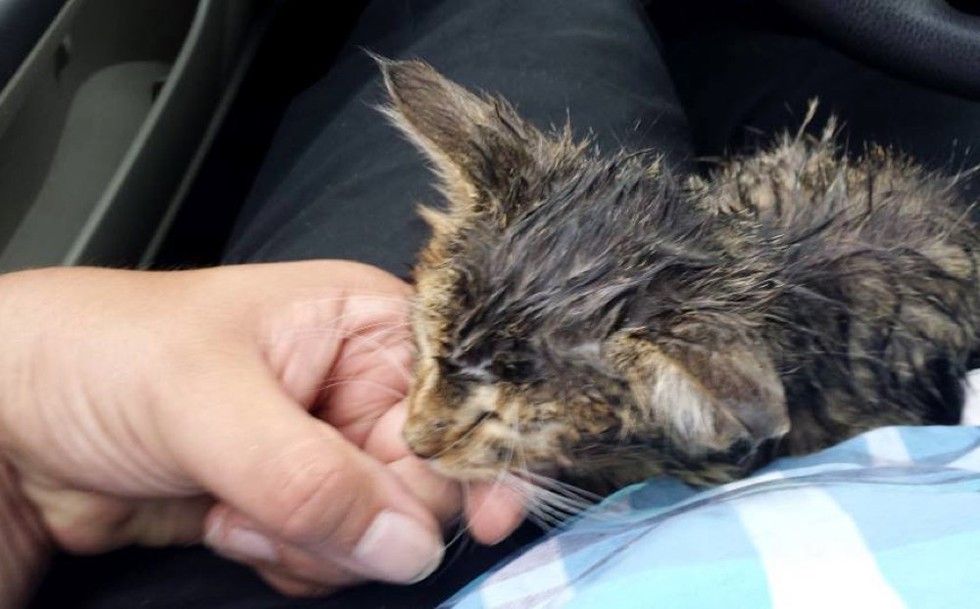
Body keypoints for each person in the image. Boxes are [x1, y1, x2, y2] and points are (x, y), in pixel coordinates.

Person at [8, 0, 980, 608]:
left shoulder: (700, 386)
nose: (421, 430)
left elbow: (735, 421)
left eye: (480, 411)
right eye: (432, 358)